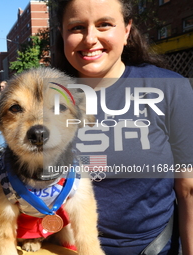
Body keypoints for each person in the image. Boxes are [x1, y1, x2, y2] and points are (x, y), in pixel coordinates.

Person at [53, 0, 193, 254]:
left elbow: (188, 190)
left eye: (104, 24)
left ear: (127, 29)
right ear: (62, 33)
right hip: (61, 247)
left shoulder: (169, 88)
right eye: (76, 27)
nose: (90, 38)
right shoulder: (44, 96)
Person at [0, 80, 7, 153]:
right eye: (0, 86)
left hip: (7, 117)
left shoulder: (9, 94)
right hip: (0, 116)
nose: (1, 88)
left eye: (3, 86)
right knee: (0, 131)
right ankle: (2, 146)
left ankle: (7, 146)